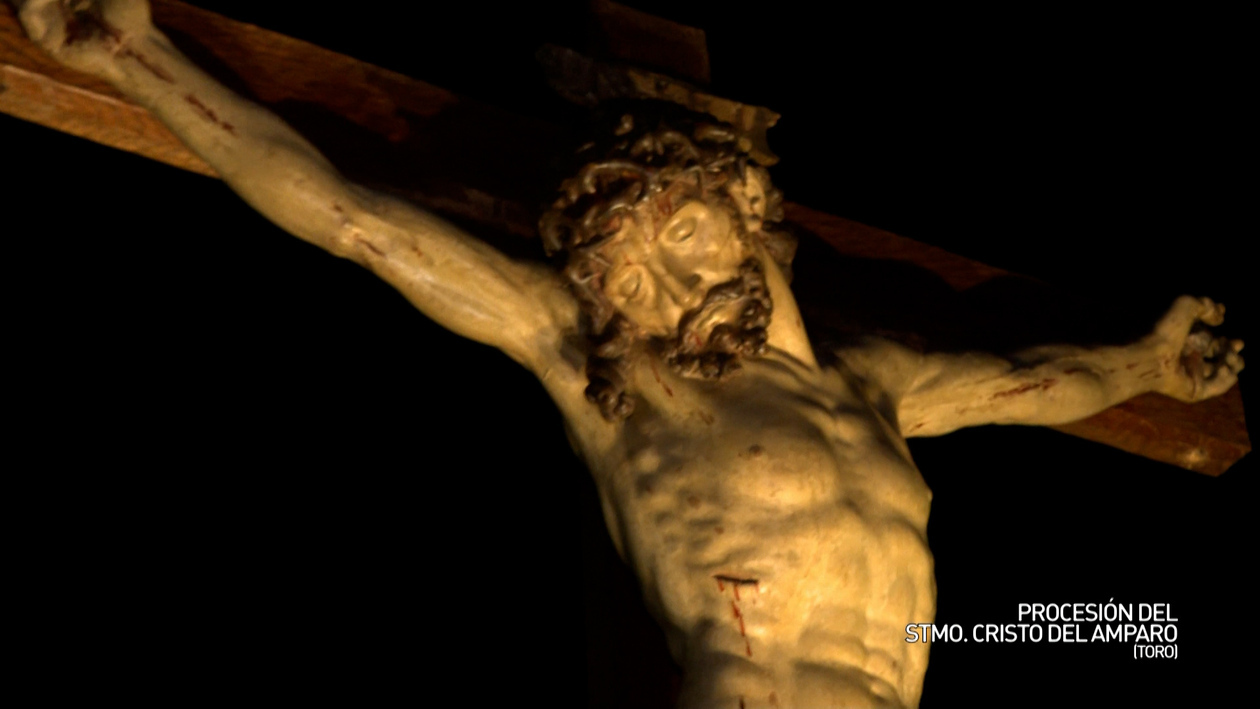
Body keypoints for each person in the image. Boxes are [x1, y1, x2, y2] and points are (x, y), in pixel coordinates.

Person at [12, 2, 1246, 706]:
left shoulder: (880, 386)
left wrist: (1145, 364)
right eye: (645, 275)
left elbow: (1040, 384)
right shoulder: (610, 379)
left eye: (707, 234)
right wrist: (131, 57)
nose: (684, 284)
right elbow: (352, 221)